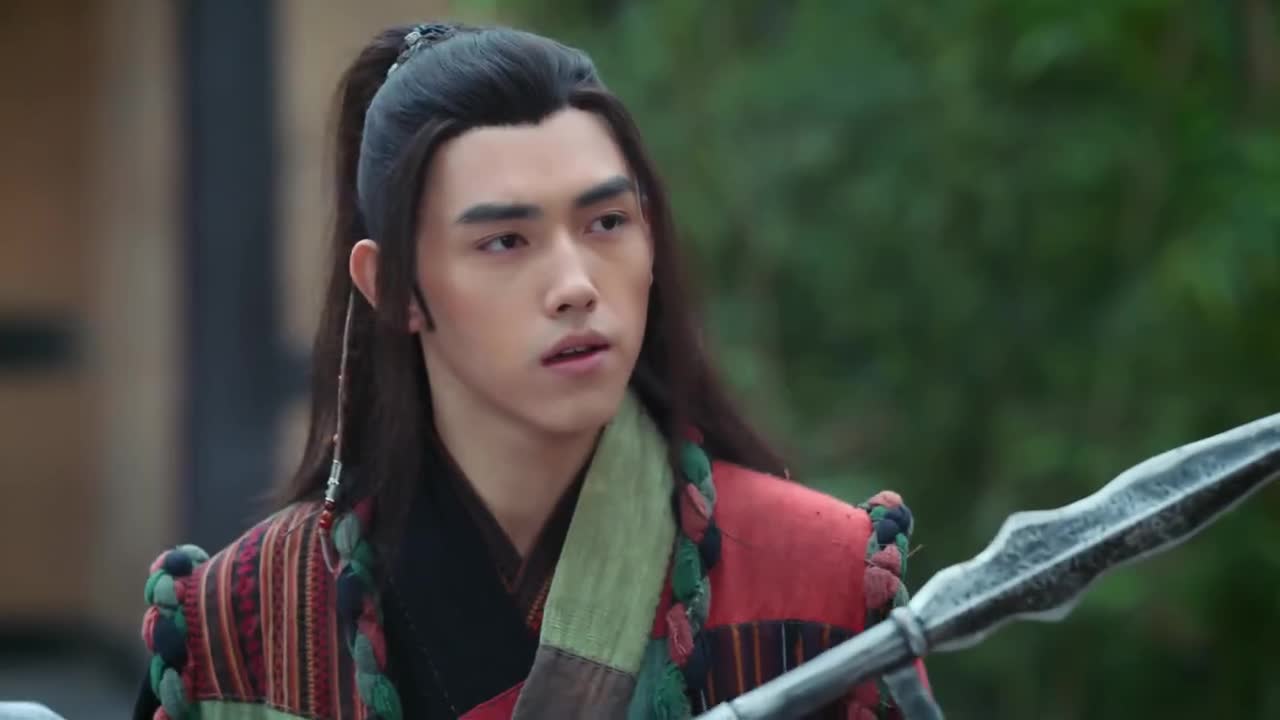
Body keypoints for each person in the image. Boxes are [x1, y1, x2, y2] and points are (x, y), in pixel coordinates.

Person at [135, 21, 928, 720]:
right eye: (505, 241)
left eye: (607, 222)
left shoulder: (816, 574)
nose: (576, 285)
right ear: (393, 287)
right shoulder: (241, 625)